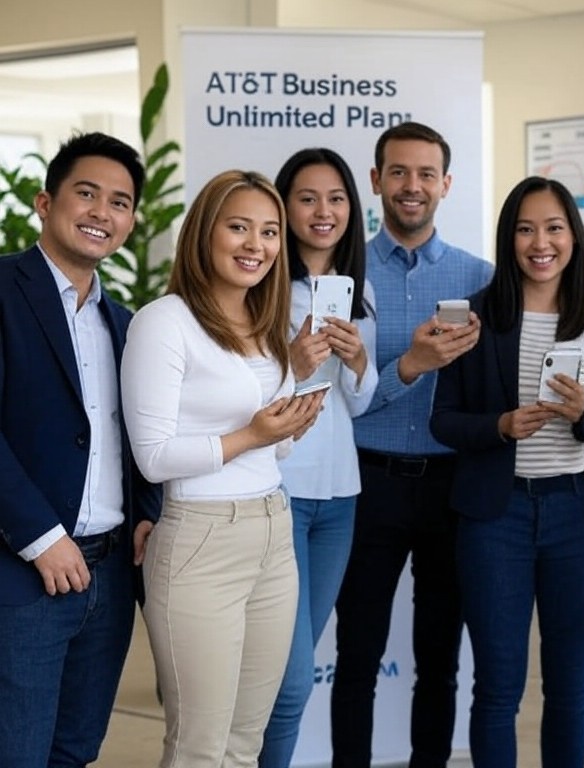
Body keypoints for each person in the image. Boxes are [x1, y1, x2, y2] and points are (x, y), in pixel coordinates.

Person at [121, 169, 326, 767]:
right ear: (205, 233)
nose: (255, 245)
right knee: (198, 748)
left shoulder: (265, 328)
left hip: (272, 530)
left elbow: (271, 449)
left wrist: (285, 430)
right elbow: (153, 457)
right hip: (199, 539)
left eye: (268, 232)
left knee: (244, 743)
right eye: (238, 227)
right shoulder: (163, 321)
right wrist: (253, 433)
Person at [430, 176, 584, 768]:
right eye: (525, 229)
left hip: (578, 518)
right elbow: (444, 421)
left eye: (554, 228)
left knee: (570, 688)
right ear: (508, 237)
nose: (540, 243)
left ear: (573, 237)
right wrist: (500, 427)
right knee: (498, 686)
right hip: (497, 518)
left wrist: (581, 416)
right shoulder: (479, 316)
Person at [330, 121, 492, 768]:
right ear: (375, 181)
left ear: (446, 184)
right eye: (398, 172)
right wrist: (412, 364)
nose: (412, 186)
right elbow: (342, 392)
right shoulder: (344, 272)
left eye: (426, 174)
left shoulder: (480, 277)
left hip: (452, 487)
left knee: (439, 659)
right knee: (358, 654)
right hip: (366, 481)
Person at [0, 131, 161, 768]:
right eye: (86, 194)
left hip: (111, 575)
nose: (102, 212)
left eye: (119, 202)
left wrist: (147, 510)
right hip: (25, 572)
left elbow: (136, 437)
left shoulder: (125, 322)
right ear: (46, 202)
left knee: (76, 751)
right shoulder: (3, 292)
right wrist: (42, 537)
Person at [259, 149, 379, 767]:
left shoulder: (362, 292)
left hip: (340, 498)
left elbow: (357, 404)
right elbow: (247, 395)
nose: (323, 211)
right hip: (277, 489)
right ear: (283, 206)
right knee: (290, 678)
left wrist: (358, 363)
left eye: (336, 198)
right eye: (307, 198)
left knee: (287, 673)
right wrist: (295, 363)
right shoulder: (261, 285)